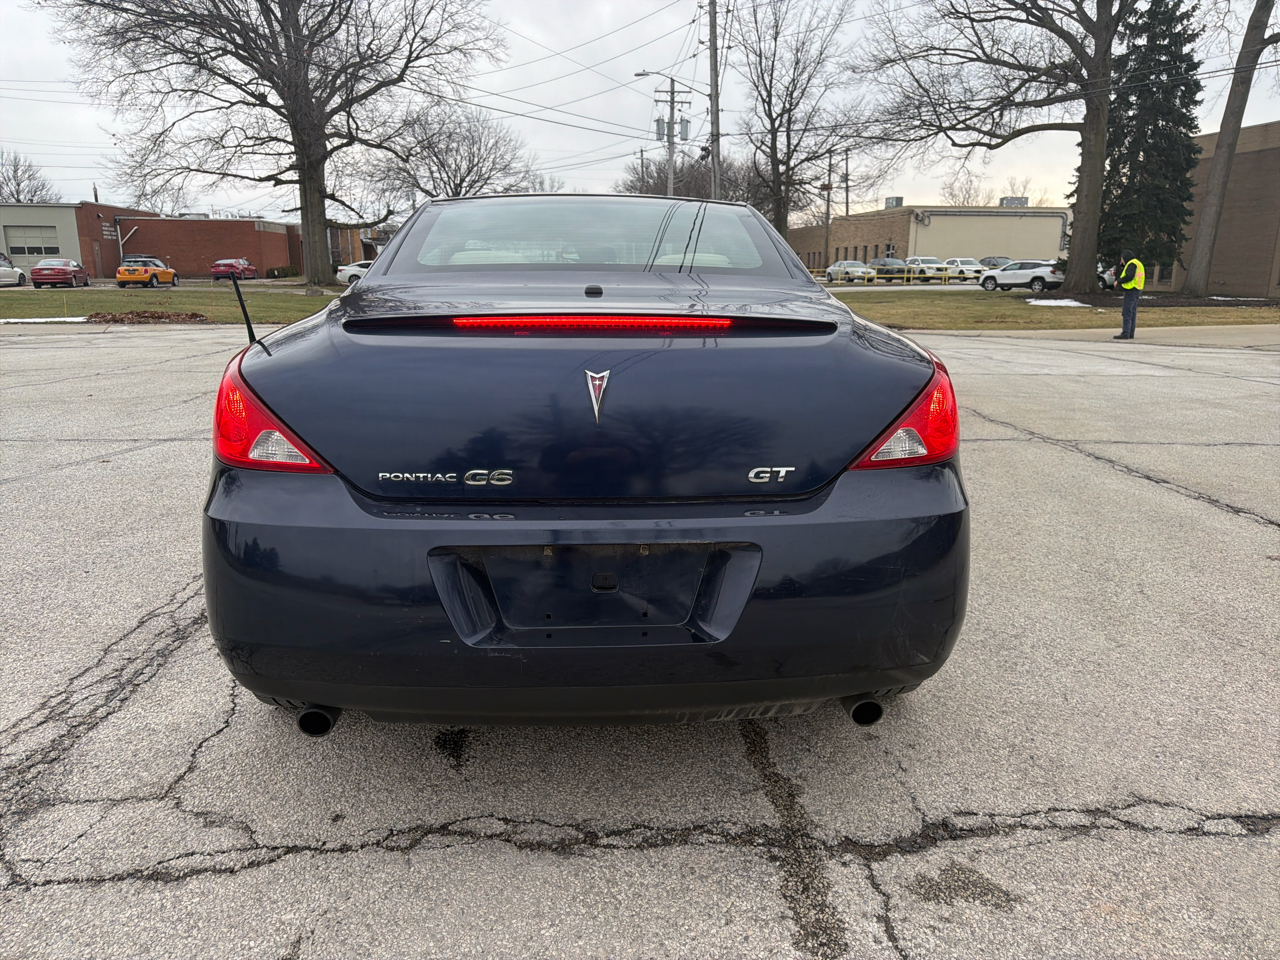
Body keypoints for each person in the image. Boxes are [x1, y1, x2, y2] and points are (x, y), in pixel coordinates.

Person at [1113, 249, 1145, 340]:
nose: (1121, 262)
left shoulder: (1131, 264)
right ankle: (1130, 333)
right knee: (1132, 312)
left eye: (1122, 259)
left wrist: (1118, 281)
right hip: (1137, 289)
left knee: (1127, 312)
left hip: (1131, 290)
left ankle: (1125, 333)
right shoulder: (1137, 263)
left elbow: (1129, 276)